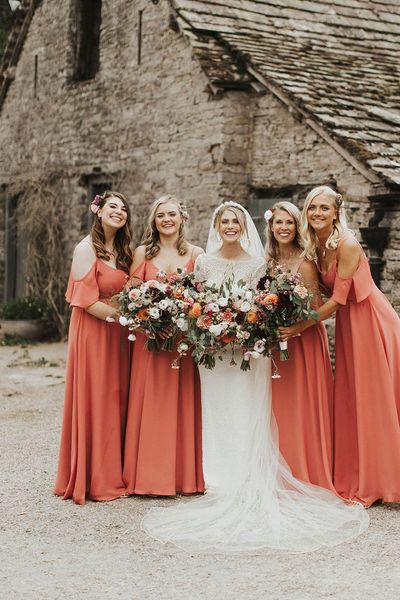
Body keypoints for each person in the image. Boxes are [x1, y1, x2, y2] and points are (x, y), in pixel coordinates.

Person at [142, 201, 368, 553]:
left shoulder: (260, 263)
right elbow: (195, 302)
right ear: (216, 225)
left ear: (243, 224)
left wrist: (244, 324)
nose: (230, 225)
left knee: (249, 411)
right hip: (213, 353)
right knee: (217, 412)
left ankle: (248, 476)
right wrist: (209, 324)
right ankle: (217, 481)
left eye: (235, 220)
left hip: (248, 352)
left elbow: (264, 305)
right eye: (224, 220)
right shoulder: (203, 261)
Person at [280, 185, 400, 507]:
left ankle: (384, 482)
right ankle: (360, 473)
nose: (317, 213)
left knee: (374, 399)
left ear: (336, 212)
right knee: (353, 398)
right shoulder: (313, 246)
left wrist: (298, 327)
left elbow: (336, 301)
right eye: (312, 208)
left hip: (371, 320)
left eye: (324, 208)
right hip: (350, 326)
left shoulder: (346, 244)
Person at [123, 194, 205, 496]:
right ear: (154, 222)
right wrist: (148, 320)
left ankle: (183, 477)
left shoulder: (197, 253)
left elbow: (204, 299)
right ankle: (146, 475)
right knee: (151, 404)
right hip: (151, 340)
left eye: (171, 214)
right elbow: (130, 295)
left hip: (182, 344)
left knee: (182, 404)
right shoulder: (143, 252)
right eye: (160, 216)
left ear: (182, 218)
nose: (166, 220)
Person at [54, 191, 133, 505]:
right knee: (98, 397)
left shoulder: (123, 249)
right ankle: (97, 478)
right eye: (112, 206)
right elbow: (84, 300)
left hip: (118, 334)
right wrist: (123, 315)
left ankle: (118, 469)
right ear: (98, 212)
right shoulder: (85, 248)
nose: (119, 211)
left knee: (117, 397)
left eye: (124, 208)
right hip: (94, 332)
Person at [265, 201, 335, 491]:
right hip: (278, 341)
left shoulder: (305, 262)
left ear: (297, 226)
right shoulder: (268, 262)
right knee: (280, 407)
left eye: (289, 223)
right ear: (270, 226)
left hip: (303, 340)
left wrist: (294, 328)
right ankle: (281, 469)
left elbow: (316, 307)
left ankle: (307, 472)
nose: (284, 228)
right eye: (278, 222)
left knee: (302, 404)